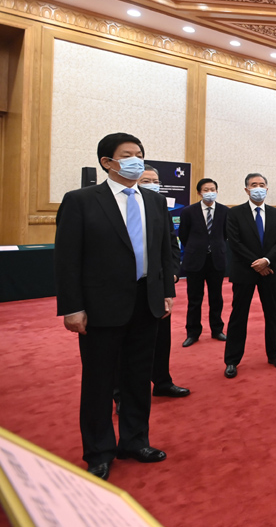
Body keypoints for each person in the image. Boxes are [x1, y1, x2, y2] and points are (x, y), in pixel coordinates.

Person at [54, 133, 174, 480]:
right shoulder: (81, 201)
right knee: (99, 381)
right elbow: (67, 259)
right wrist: (72, 307)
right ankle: (99, 451)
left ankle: (135, 441)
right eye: (128, 154)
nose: (136, 160)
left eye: (140, 154)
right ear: (107, 162)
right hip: (100, 306)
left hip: (146, 302)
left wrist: (166, 291)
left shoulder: (154, 201)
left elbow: (164, 250)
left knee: (138, 377)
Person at [223, 173, 276, 379]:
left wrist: (266, 261)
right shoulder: (235, 213)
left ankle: (274, 354)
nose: (258, 188)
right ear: (246, 189)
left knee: (273, 315)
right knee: (238, 316)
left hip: (270, 270)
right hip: (244, 271)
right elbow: (234, 243)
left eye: (261, 184)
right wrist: (257, 264)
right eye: (253, 185)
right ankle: (232, 360)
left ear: (267, 189)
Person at [138, 166, 189, 398]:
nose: (152, 184)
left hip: (158, 285)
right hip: (127, 287)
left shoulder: (159, 206)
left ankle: (162, 382)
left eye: (155, 181)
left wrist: (173, 273)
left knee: (161, 339)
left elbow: (171, 244)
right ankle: (120, 393)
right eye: (146, 180)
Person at [178, 178, 229, 348]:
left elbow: (226, 234)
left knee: (216, 298)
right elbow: (183, 235)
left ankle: (217, 329)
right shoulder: (188, 211)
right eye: (206, 189)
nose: (210, 192)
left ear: (217, 191)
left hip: (217, 259)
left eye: (212, 189)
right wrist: (197, 248)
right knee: (194, 299)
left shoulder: (224, 211)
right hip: (195, 260)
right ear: (199, 192)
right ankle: (192, 332)